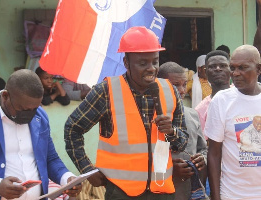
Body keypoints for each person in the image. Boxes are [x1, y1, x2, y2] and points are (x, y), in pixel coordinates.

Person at [64, 26, 188, 200]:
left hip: (161, 189)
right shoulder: (106, 91)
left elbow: (181, 144)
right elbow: (72, 129)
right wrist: (86, 169)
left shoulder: (169, 91)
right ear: (126, 63)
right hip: (121, 191)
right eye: (143, 63)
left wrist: (172, 132)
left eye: (155, 61)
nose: (151, 68)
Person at [0, 69, 81, 199]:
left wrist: (67, 179)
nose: (29, 115)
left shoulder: (40, 117)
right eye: (23, 109)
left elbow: (50, 158)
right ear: (6, 96)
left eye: (34, 108)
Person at [206, 45, 261, 200]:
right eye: (233, 68)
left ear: (258, 69)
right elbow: (214, 154)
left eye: (242, 68)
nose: (235, 73)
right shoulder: (222, 101)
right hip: (233, 194)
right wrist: (215, 197)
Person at [158, 62, 207, 200]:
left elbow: (203, 149)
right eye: (175, 85)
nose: (181, 90)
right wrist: (170, 170)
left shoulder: (192, 115)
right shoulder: (153, 118)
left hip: (189, 192)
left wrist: (202, 159)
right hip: (162, 192)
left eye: (184, 84)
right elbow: (143, 159)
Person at [195, 50, 231, 135]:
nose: (218, 69)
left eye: (223, 65)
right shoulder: (201, 110)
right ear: (205, 71)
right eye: (212, 66)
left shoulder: (242, 96)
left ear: (230, 69)